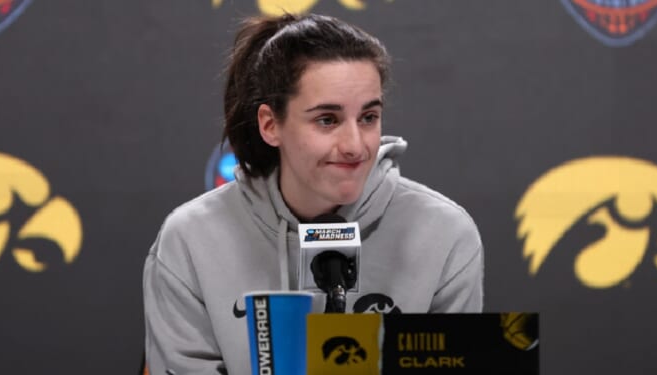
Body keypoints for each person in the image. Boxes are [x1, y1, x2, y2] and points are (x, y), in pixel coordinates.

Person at [143, 13, 484, 374]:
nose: (355, 145)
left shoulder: (445, 234)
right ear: (270, 125)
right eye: (327, 120)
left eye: (368, 117)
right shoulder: (191, 239)